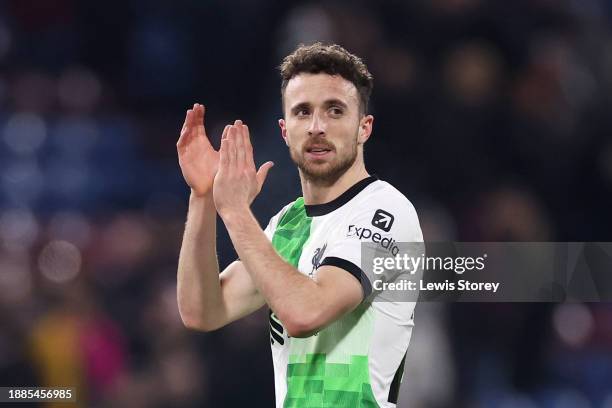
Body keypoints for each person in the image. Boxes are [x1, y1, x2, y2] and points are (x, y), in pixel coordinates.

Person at [176, 43, 423, 408]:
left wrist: (236, 212)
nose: (317, 127)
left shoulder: (385, 211)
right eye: (302, 112)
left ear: (363, 128)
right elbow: (202, 310)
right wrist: (204, 198)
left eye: (335, 111)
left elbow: (307, 312)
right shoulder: (288, 224)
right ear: (284, 130)